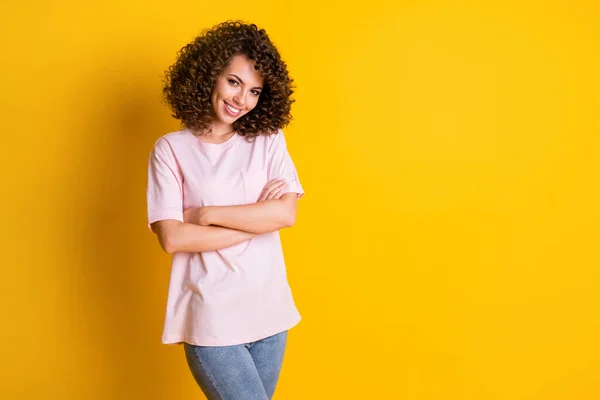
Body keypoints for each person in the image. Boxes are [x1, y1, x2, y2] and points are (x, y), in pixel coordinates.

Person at [146, 21, 305, 400]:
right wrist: (256, 217)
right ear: (209, 75)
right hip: (212, 318)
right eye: (234, 82)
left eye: (254, 91)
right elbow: (172, 237)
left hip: (270, 314)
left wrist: (205, 214)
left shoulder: (267, 140)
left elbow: (285, 215)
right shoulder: (170, 150)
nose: (242, 100)